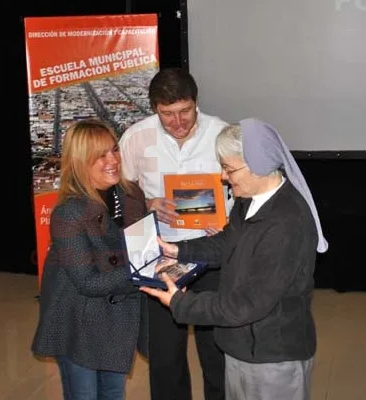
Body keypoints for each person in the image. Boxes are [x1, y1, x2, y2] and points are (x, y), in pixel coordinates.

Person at [141, 118, 329, 400]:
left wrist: (180, 302)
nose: (223, 177)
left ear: (259, 165)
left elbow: (247, 305)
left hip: (272, 356)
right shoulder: (249, 201)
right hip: (241, 345)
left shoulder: (286, 223)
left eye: (229, 168)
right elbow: (227, 242)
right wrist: (179, 250)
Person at [119, 67, 228, 400]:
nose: (178, 122)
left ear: (196, 102)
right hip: (160, 254)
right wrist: (148, 201)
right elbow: (123, 189)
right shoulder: (136, 137)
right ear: (155, 108)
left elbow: (244, 191)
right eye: (168, 115)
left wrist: (227, 222)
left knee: (217, 350)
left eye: (185, 111)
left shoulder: (221, 134)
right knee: (165, 353)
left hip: (212, 251)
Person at [31, 119, 148, 400]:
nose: (113, 160)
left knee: (113, 393)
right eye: (100, 155)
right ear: (80, 162)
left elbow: (143, 248)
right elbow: (88, 283)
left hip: (118, 315)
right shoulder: (69, 213)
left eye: (114, 150)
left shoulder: (130, 194)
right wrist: (144, 270)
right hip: (78, 320)